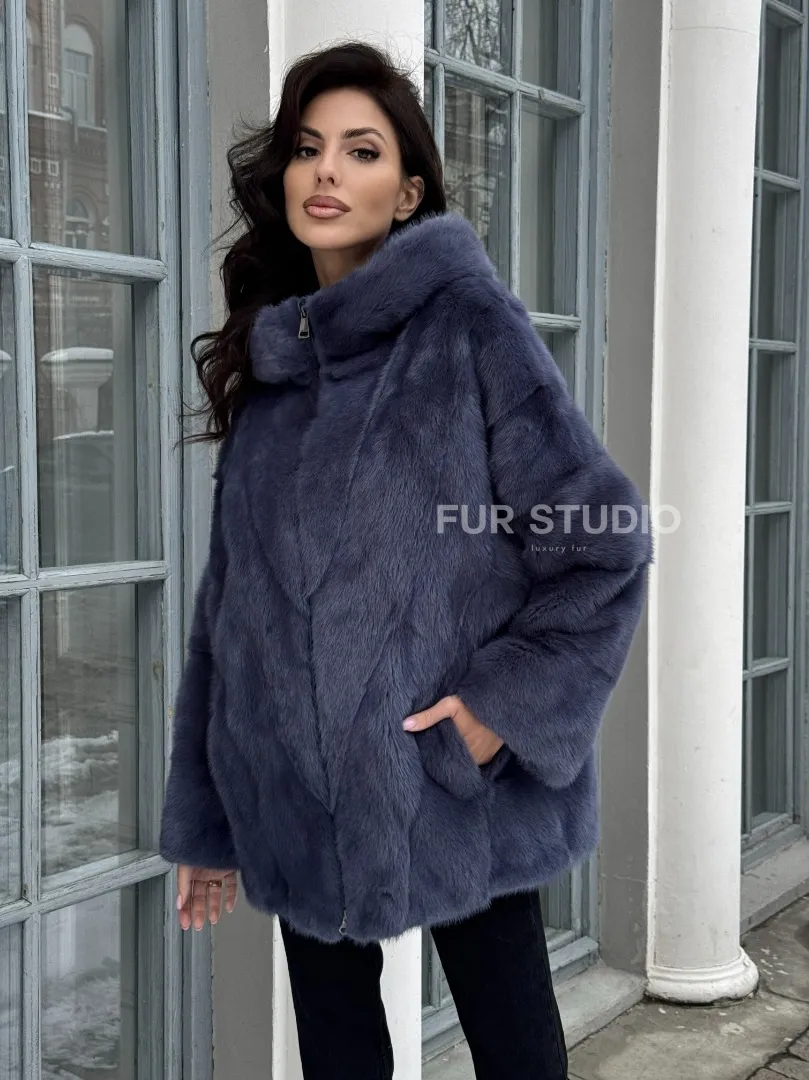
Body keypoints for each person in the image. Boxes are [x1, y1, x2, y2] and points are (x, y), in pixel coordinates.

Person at [158, 40, 653, 1080]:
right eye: (307, 148)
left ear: (407, 190)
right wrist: (207, 819)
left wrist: (498, 711)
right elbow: (225, 615)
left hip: (449, 785)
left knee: (515, 1056)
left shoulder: (465, 328)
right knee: (339, 1062)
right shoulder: (274, 364)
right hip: (293, 798)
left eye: (361, 150)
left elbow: (600, 540)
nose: (326, 172)